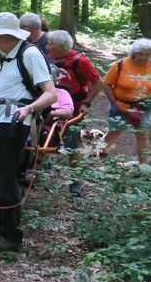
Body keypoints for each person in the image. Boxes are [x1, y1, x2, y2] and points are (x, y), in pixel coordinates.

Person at [0, 12, 56, 253]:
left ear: (4, 35)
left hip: (14, 121)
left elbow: (50, 93)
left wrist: (28, 109)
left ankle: (12, 236)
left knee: (6, 178)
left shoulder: (29, 54)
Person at [46, 30, 103, 196]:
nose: (46, 46)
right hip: (48, 105)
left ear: (62, 46)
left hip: (73, 108)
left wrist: (86, 103)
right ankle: (40, 170)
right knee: (43, 137)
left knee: (72, 144)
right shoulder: (45, 57)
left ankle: (75, 181)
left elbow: (98, 82)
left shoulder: (80, 60)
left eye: (50, 44)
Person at [100, 38, 151, 163]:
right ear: (133, 53)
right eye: (140, 54)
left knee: (143, 134)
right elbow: (106, 83)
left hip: (143, 105)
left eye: (147, 54)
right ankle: (101, 156)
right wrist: (114, 102)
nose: (143, 57)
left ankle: (144, 165)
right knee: (115, 131)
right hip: (121, 104)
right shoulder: (119, 65)